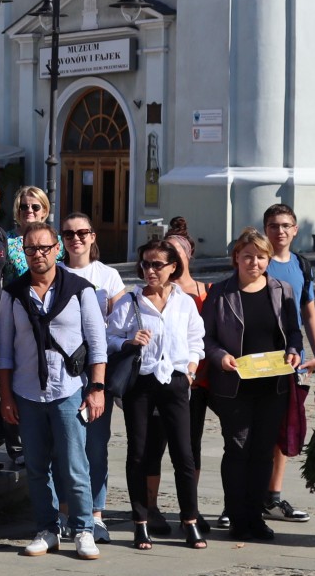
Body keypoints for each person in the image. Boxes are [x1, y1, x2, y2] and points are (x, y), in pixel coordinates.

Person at [0, 223, 108, 560]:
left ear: (57, 249)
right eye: (31, 249)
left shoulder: (79, 289)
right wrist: (5, 396)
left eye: (44, 248)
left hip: (69, 389)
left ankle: (84, 529)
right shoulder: (12, 293)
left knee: (75, 463)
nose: (38, 255)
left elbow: (97, 345)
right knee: (36, 466)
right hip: (27, 391)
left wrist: (98, 388)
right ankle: (47, 529)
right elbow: (4, 350)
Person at [201, 228, 304, 541]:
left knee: (262, 453)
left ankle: (255, 517)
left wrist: (294, 352)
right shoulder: (220, 292)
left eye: (260, 257)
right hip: (234, 386)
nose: (254, 262)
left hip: (272, 385)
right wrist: (219, 356)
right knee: (237, 449)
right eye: (248, 256)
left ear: (268, 259)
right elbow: (205, 337)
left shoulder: (282, 290)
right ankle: (236, 516)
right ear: (236, 258)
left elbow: (293, 331)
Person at [108, 239, 206, 550]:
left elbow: (197, 339)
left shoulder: (184, 301)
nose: (150, 270)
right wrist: (128, 341)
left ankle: (189, 521)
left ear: (173, 267)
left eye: (158, 265)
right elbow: (109, 336)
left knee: (184, 454)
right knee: (138, 453)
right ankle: (141, 522)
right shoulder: (131, 301)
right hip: (141, 383)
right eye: (146, 264)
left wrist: (190, 370)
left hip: (175, 382)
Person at [62, 211, 125, 542]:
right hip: (60, 369)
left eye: (82, 232)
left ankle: (96, 513)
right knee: (64, 442)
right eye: (69, 233)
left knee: (96, 444)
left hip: (97, 368)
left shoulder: (108, 275)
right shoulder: (54, 272)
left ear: (92, 236)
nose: (76, 239)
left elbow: (121, 321)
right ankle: (64, 511)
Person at [260, 203, 315, 524]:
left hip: (292, 359)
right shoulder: (257, 262)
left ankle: (272, 496)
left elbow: (309, 312)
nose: (280, 231)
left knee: (284, 432)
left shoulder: (301, 265)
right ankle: (243, 497)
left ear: (295, 230)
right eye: (273, 225)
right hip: (259, 361)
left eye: (285, 225)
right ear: (265, 230)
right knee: (253, 429)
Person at [156, 231, 213, 534]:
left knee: (190, 447)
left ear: (189, 254)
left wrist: (194, 370)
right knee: (153, 446)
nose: (175, 258)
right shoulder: (154, 289)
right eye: (168, 253)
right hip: (157, 381)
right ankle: (150, 508)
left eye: (179, 252)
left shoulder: (206, 290)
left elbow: (206, 335)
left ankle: (189, 509)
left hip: (195, 382)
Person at [6, 186, 52, 278]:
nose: (29, 210)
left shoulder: (54, 240)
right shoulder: (5, 240)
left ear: (44, 211)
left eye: (35, 207)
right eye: (24, 207)